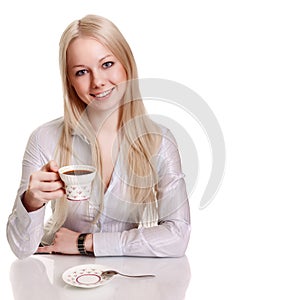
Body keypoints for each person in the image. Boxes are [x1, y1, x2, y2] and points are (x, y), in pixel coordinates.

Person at [6, 14, 191, 259]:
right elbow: (21, 249)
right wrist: (31, 202)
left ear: (127, 64)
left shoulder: (160, 142)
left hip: (128, 284)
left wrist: (86, 243)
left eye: (107, 64)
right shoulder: (44, 139)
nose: (98, 82)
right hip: (60, 285)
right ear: (70, 81)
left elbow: (177, 237)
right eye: (82, 72)